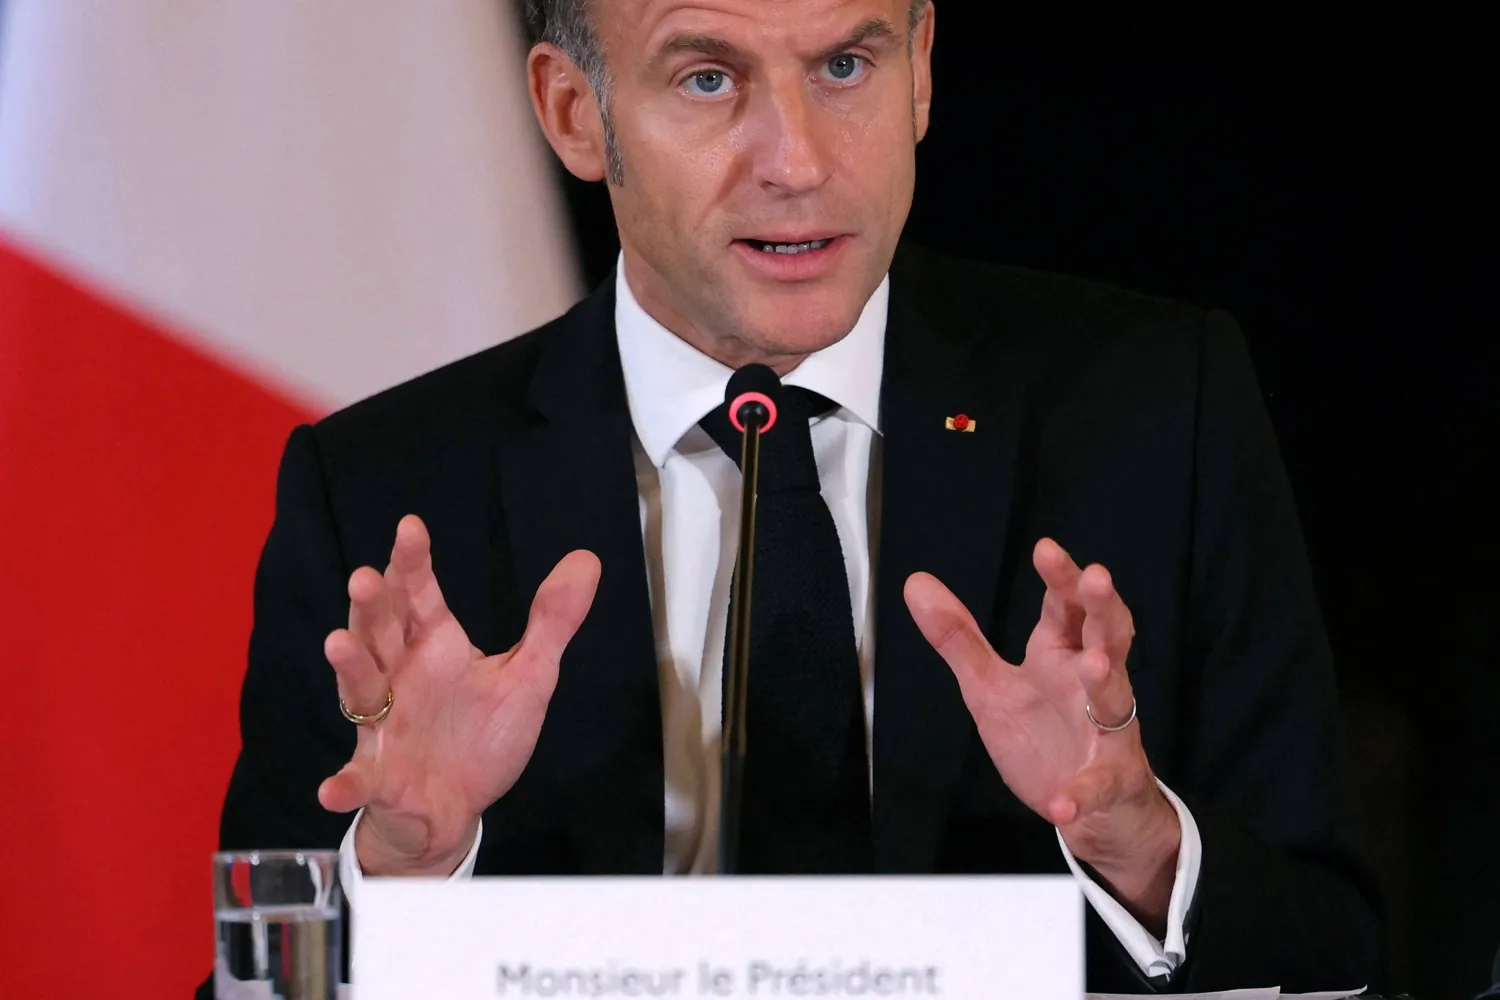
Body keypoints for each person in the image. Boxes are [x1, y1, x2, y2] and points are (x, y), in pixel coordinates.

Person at [204, 0, 1383, 994]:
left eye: (845, 65)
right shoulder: (381, 493)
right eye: (709, 77)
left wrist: (1139, 842)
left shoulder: (1153, 411)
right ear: (575, 111)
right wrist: (401, 870)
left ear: (921, 71)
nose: (799, 158)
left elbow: (1341, 943)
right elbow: (254, 982)